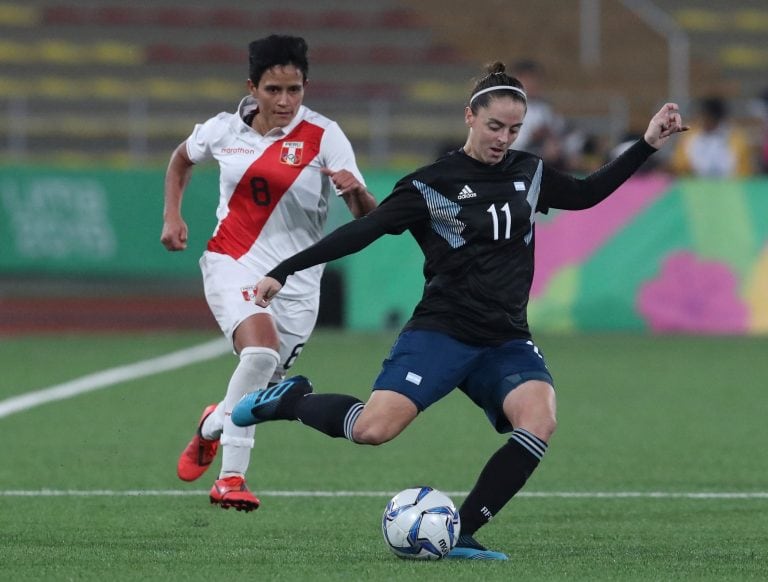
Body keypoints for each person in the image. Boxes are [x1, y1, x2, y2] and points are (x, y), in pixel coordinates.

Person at [231, 62, 687, 556]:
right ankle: (290, 399)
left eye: (514, 130)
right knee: (372, 430)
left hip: (506, 337)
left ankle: (460, 532)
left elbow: (585, 194)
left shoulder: (527, 171)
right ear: (470, 116)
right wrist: (285, 268)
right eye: (494, 127)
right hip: (442, 331)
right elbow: (364, 230)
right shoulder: (430, 184)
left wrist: (646, 143)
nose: (503, 139)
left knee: (539, 421)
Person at [161, 34, 376, 512]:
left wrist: (354, 192)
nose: (285, 101)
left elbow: (368, 215)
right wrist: (172, 216)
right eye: (274, 90)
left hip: (298, 281)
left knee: (257, 392)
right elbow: (180, 159)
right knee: (258, 353)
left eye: (294, 90)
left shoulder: (325, 136)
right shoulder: (222, 130)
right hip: (232, 260)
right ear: (252, 87)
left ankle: (211, 425)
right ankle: (231, 480)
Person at [668, 95, 753, 177]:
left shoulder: (736, 139)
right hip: (695, 187)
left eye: (706, 117)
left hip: (728, 187)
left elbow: (744, 171)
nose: (702, 120)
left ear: (716, 118)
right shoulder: (689, 137)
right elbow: (678, 165)